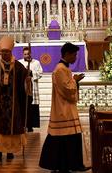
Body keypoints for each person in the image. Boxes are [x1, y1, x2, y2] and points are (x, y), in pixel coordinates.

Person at [39, 42, 87, 172]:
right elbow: (66, 89)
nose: (76, 57)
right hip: (63, 109)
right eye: (74, 55)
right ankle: (62, 165)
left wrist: (74, 80)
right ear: (67, 54)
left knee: (70, 137)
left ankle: (71, 164)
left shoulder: (64, 68)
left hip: (66, 108)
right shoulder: (60, 69)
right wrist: (75, 81)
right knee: (64, 138)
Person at [18, 46, 43, 131]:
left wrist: (31, 73)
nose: (26, 55)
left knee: (32, 107)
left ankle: (31, 125)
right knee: (23, 106)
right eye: (25, 54)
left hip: (33, 88)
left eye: (28, 54)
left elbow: (40, 73)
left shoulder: (36, 62)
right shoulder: (19, 63)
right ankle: (22, 124)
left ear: (30, 54)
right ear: (23, 54)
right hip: (23, 88)